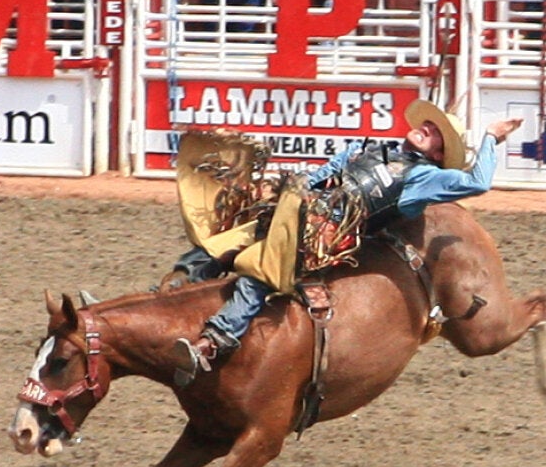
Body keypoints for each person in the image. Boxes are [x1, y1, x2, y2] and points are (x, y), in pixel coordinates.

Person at [171, 103, 523, 387]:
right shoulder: (369, 149)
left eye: (436, 136)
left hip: (327, 239)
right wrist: (290, 195)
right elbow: (322, 175)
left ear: (437, 156)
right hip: (302, 213)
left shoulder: (424, 178)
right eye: (429, 124)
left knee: (261, 273)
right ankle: (180, 285)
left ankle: (214, 342)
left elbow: (478, 182)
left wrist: (491, 137)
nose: (428, 129)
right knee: (228, 230)